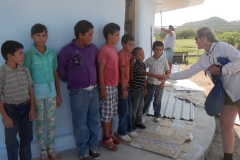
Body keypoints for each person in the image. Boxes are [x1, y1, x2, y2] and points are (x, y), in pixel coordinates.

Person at [159, 27, 240, 160]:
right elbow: (189, 72)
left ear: (203, 38)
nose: (195, 41)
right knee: (225, 125)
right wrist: (168, 77)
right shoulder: (205, 57)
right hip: (227, 92)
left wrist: (221, 70)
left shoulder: (223, 47)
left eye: (196, 38)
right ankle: (228, 157)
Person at [57, 20, 101, 160]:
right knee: (80, 123)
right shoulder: (67, 50)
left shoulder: (93, 48)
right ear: (80, 34)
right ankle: (83, 152)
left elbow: (96, 66)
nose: (92, 37)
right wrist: (70, 80)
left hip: (94, 91)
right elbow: (61, 69)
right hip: (78, 93)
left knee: (94, 120)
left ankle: (93, 148)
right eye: (90, 34)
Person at [23, 23, 62, 160]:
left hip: (51, 94)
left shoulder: (52, 54)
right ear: (32, 36)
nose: (41, 38)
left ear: (47, 36)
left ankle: (51, 149)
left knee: (51, 123)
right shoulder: (28, 55)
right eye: (38, 35)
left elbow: (55, 75)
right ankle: (43, 152)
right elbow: (27, 79)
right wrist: (30, 99)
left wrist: (58, 95)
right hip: (37, 96)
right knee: (40, 124)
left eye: (43, 35)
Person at [0, 40, 35, 160]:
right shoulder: (2, 73)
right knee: (11, 142)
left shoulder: (24, 70)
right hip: (11, 111)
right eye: (20, 53)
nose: (23, 56)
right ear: (10, 56)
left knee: (26, 139)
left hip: (26, 109)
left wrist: (32, 109)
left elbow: (30, 89)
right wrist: (4, 116)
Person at [98, 23, 121, 151]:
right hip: (106, 87)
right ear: (109, 35)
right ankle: (106, 138)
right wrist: (102, 89)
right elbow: (100, 71)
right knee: (106, 114)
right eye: (117, 35)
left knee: (112, 112)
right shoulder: (104, 50)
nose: (118, 37)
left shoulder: (113, 49)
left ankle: (110, 134)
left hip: (114, 86)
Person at [131, 47, 162, 129]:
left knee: (140, 107)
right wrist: (156, 76)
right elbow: (144, 73)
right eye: (140, 54)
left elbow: (144, 78)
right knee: (134, 108)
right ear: (134, 56)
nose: (142, 56)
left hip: (141, 89)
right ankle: (132, 124)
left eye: (143, 53)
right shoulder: (136, 66)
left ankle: (138, 122)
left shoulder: (143, 64)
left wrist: (145, 88)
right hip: (136, 90)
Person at [117, 34, 138, 143]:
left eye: (133, 45)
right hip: (123, 86)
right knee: (124, 110)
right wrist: (124, 88)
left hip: (128, 86)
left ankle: (129, 129)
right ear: (123, 44)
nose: (132, 47)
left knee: (129, 109)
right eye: (130, 45)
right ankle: (122, 132)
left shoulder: (128, 55)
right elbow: (121, 71)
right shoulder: (121, 55)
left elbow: (131, 58)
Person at [142, 41, 169, 122]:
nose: (159, 51)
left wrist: (163, 82)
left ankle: (157, 115)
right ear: (153, 49)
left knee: (157, 100)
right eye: (157, 49)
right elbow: (143, 69)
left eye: (160, 49)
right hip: (149, 83)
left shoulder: (164, 60)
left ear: (162, 50)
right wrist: (144, 80)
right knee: (147, 99)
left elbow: (167, 71)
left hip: (159, 84)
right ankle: (142, 114)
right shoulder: (149, 60)